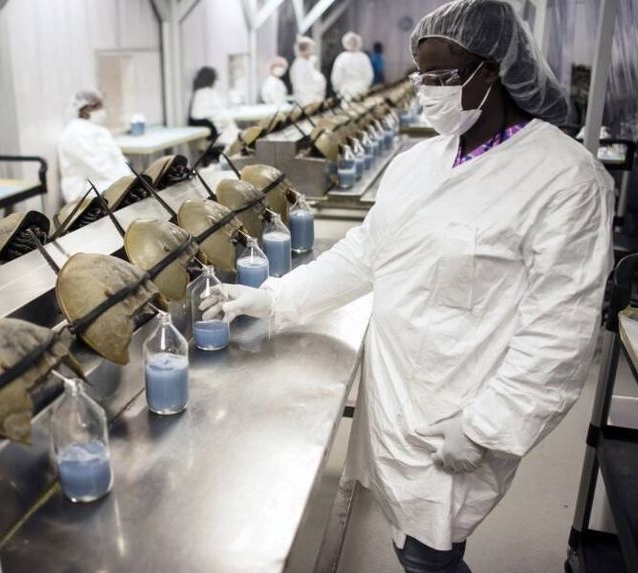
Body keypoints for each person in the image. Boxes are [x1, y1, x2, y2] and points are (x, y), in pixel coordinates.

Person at [200, 1, 613, 571]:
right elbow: (364, 254)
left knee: (427, 554)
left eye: (443, 78)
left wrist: (486, 425)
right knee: (412, 545)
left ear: (491, 71)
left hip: (463, 407)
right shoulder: (419, 163)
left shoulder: (564, 178)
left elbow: (559, 332)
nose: (428, 92)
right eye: (422, 77)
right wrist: (276, 298)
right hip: (397, 396)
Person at [57, 90, 131, 203]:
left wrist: (129, 178)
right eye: (96, 106)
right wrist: (124, 181)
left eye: (101, 105)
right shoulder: (74, 133)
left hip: (102, 182)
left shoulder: (98, 129)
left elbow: (118, 159)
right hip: (82, 190)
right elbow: (98, 168)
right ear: (83, 110)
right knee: (126, 192)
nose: (101, 110)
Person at [188, 66, 239, 147]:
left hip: (225, 127)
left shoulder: (211, 92)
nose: (216, 82)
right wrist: (222, 118)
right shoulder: (200, 93)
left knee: (240, 139)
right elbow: (197, 115)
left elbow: (218, 110)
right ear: (210, 79)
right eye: (215, 79)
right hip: (218, 128)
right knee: (234, 142)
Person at [331, 32, 374, 98]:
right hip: (361, 89)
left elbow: (337, 76)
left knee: (347, 108)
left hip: (346, 91)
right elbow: (369, 75)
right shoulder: (363, 57)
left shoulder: (342, 57)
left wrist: (337, 88)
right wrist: (365, 86)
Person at [289, 36, 327, 106]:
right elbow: (299, 87)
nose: (313, 51)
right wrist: (308, 103)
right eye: (312, 48)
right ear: (305, 49)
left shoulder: (308, 63)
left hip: (314, 101)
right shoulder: (299, 65)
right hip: (307, 102)